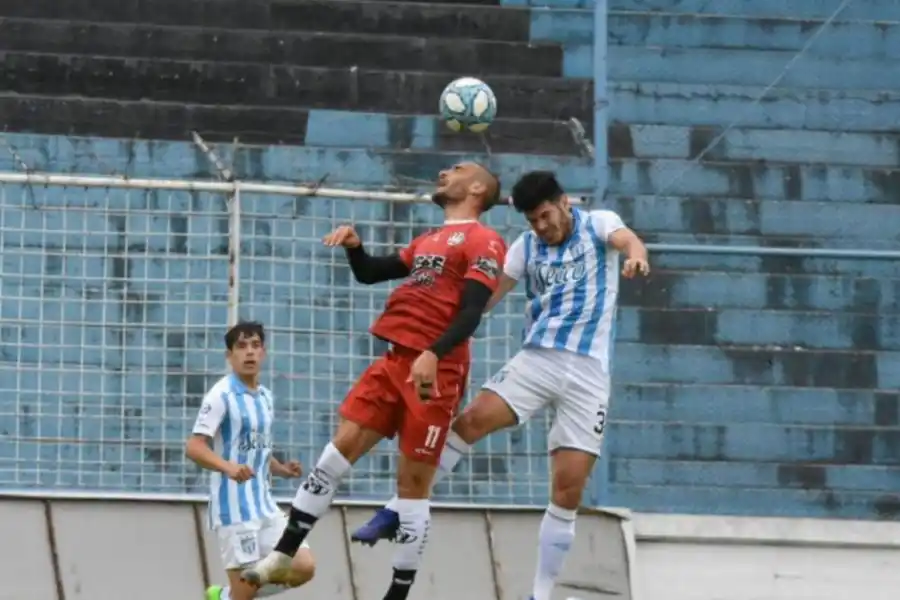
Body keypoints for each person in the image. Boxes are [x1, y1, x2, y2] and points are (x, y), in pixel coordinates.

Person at [351, 170, 650, 600]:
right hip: (539, 359)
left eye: (545, 216)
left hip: (589, 376)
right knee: (469, 423)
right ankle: (398, 510)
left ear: (565, 203)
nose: (541, 227)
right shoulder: (525, 247)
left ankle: (540, 594)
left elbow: (629, 241)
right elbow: (484, 299)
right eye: (532, 221)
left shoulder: (598, 223)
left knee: (568, 489)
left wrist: (636, 256)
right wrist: (438, 333)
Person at [241, 162, 508, 600]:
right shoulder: (428, 240)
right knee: (336, 451)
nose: (444, 171)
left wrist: (433, 354)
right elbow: (370, 271)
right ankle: (283, 554)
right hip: (393, 361)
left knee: (412, 488)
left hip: (435, 371)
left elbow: (472, 311)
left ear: (478, 187)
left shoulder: (485, 240)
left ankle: (396, 594)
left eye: (457, 168)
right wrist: (354, 246)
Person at [185, 321, 316, 600]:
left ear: (264, 353)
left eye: (255, 346)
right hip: (234, 510)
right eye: (241, 346)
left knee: (304, 567)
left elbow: (257, 449)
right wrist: (228, 467)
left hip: (266, 506)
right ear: (229, 355)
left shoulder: (266, 397)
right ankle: (232, 596)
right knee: (244, 594)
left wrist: (281, 470)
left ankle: (228, 596)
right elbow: (194, 447)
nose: (249, 353)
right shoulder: (221, 395)